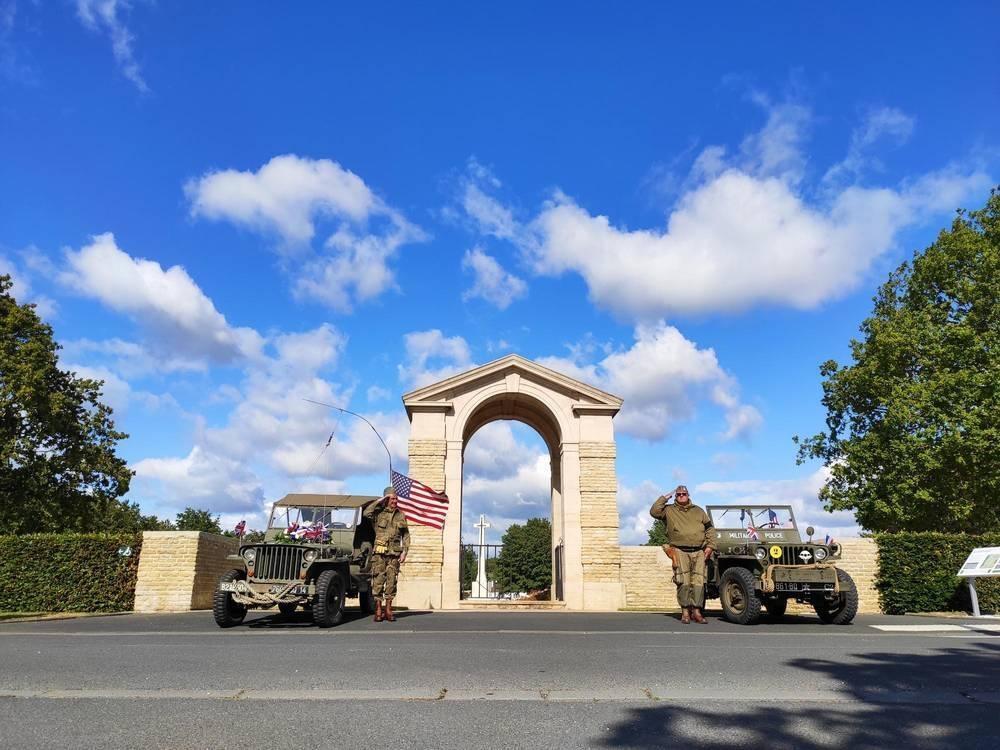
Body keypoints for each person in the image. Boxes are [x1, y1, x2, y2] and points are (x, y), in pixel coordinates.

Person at [649, 485, 716, 624]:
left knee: (699, 582)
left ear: (688, 494)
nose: (681, 496)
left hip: (699, 551)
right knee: (682, 581)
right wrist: (665, 496)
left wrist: (710, 546)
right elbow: (654, 511)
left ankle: (697, 612)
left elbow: (709, 529)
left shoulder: (698, 511)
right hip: (679, 551)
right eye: (678, 494)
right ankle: (685, 612)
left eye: (683, 494)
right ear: (675, 496)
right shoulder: (668, 510)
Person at [363, 486, 410, 622]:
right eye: (392, 498)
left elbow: (406, 535)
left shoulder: (401, 515)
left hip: (394, 554)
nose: (395, 501)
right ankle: (378, 609)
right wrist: (380, 501)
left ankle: (388, 610)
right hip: (380, 554)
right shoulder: (378, 514)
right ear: (387, 499)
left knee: (391, 582)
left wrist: (405, 551)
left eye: (396, 498)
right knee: (378, 580)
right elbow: (367, 513)